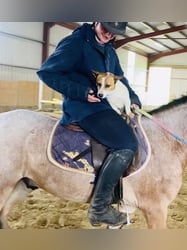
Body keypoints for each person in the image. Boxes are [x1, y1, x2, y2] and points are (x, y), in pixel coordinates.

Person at [37, 22, 142, 227]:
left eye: (115, 32)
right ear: (96, 21)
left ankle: (116, 194)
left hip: (104, 106)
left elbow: (122, 80)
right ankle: (99, 208)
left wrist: (134, 98)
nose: (110, 34)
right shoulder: (75, 43)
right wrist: (82, 92)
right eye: (106, 28)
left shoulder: (110, 49)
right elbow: (47, 73)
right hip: (82, 108)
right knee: (127, 143)